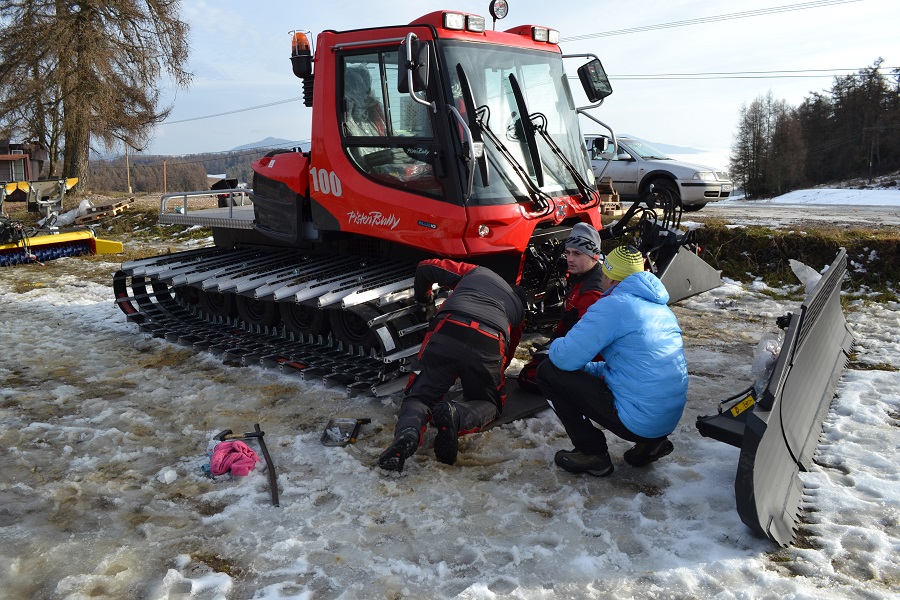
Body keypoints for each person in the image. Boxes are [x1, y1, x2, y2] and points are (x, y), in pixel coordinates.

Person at [536, 244, 688, 477]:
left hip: (638, 420)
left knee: (548, 371)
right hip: (665, 419)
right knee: (583, 370)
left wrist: (551, 348)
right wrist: (589, 368)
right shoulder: (659, 307)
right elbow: (632, 367)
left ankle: (592, 454)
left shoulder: (613, 305)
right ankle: (650, 444)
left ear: (610, 277)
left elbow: (565, 359)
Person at [377, 259, 526, 472]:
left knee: (420, 396)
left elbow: (425, 267)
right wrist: (485, 379)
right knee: (489, 402)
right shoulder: (518, 311)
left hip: (449, 327)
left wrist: (424, 300)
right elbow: (507, 355)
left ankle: (407, 433)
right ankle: (457, 415)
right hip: (489, 340)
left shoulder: (478, 272)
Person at [517, 222, 605, 393]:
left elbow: (589, 342)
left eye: (577, 254)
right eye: (568, 252)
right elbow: (568, 321)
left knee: (529, 377)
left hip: (591, 362)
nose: (570, 259)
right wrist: (553, 342)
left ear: (594, 255)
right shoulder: (582, 276)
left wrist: (555, 352)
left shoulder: (592, 292)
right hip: (574, 348)